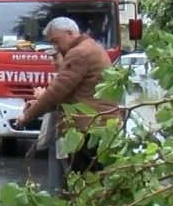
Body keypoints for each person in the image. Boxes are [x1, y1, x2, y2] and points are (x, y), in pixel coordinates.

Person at [12, 17, 120, 176]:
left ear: (70, 33)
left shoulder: (79, 53)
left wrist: (26, 117)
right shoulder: (91, 47)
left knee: (84, 181)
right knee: (94, 180)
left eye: (56, 41)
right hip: (99, 126)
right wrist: (38, 103)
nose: (56, 47)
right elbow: (73, 94)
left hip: (87, 129)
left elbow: (56, 92)